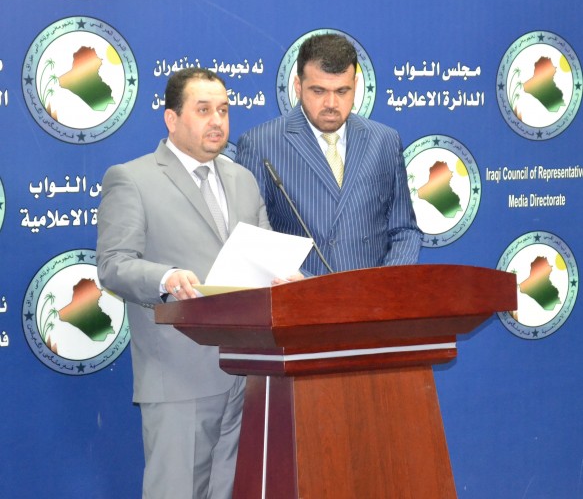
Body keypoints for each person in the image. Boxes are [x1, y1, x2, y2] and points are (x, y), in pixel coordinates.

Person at [96, 68, 271, 499]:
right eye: (204, 110)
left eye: (224, 110)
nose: (217, 121)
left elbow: (262, 254)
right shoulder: (132, 178)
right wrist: (165, 277)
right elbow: (114, 265)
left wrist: (282, 276)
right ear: (171, 119)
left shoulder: (243, 179)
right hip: (179, 375)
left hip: (246, 372)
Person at [236, 33, 421, 275]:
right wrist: (308, 286)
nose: (331, 104)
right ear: (298, 87)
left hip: (373, 295)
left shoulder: (385, 141)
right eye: (319, 91)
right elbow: (252, 239)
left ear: (355, 86)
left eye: (342, 91)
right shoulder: (260, 144)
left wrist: (386, 283)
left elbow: (404, 230)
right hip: (300, 293)